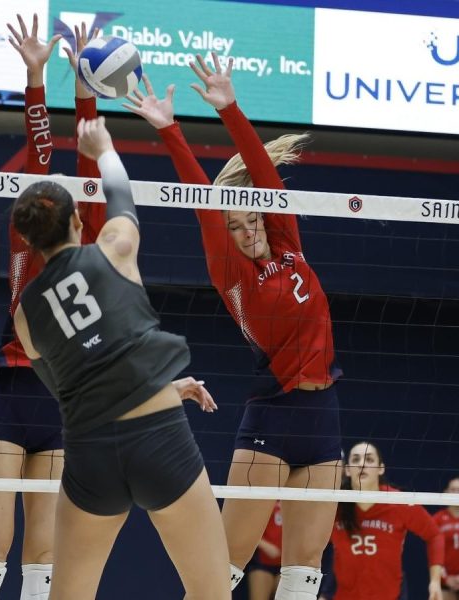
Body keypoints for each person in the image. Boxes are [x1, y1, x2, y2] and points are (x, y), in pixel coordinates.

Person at [124, 52, 342, 599]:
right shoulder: (232, 274)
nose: (249, 232)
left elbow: (264, 176)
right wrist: (171, 130)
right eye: (237, 227)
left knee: (305, 571)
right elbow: (206, 210)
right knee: (222, 569)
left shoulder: (286, 241)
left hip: (323, 414)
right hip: (273, 413)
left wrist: (230, 108)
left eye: (252, 219)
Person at [10, 115, 230, 599]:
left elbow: (69, 388)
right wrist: (104, 146)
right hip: (159, 441)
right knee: (212, 593)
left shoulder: (25, 315)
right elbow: (121, 196)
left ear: (27, 240)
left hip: (91, 455)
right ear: (77, 221)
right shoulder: (114, 247)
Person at [0, 15, 106, 600]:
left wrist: (87, 83)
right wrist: (36, 78)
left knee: (44, 556)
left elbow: (91, 162)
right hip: (8, 395)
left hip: (60, 406)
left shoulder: (91, 245)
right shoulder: (26, 236)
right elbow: (40, 151)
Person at [325, 441, 444, 600]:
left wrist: (435, 581)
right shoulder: (334, 506)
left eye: (369, 459)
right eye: (355, 459)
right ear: (347, 470)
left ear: (381, 468)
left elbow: (435, 535)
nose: (362, 464)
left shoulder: (399, 502)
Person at [249, 501, 284, 600]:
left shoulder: (296, 497)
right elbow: (245, 527)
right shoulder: (264, 498)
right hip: (262, 562)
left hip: (286, 562)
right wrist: (265, 545)